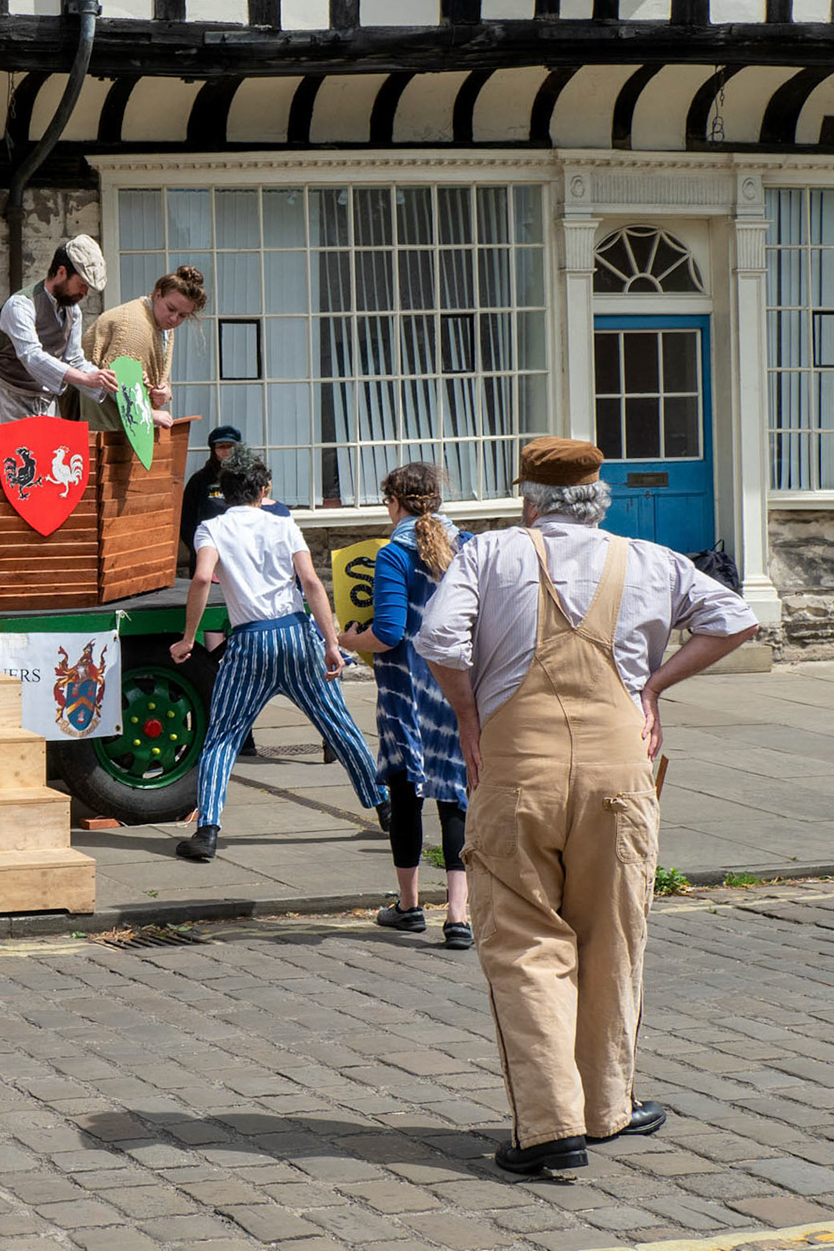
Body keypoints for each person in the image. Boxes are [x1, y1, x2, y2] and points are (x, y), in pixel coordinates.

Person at [416, 437, 759, 1176]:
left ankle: (547, 1127)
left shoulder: (491, 555)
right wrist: (654, 687)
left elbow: (438, 638)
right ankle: (606, 1107)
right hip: (618, 769)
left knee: (524, 941)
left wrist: (470, 722)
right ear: (598, 500)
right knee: (614, 935)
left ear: (530, 501)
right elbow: (735, 620)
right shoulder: (648, 558)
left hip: (517, 768)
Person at [169, 446, 385, 862]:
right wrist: (331, 642)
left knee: (223, 735)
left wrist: (188, 638)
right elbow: (311, 583)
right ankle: (385, 806)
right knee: (337, 723)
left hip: (250, 640)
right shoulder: (284, 523)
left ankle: (208, 829)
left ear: (223, 491)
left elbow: (200, 579)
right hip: (294, 632)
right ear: (263, 489)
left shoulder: (211, 529)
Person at [338, 463, 475, 950]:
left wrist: (350, 638)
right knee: (456, 795)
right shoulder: (470, 546)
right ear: (437, 499)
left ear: (393, 503)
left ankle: (410, 906)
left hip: (407, 693)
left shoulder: (394, 554)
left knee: (407, 794)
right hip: (457, 689)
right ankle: (459, 917)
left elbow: (390, 632)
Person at [0, 234, 119, 424]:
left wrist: (108, 382)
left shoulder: (73, 312)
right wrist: (83, 378)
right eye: (81, 285)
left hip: (46, 401)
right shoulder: (20, 305)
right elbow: (31, 355)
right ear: (62, 272)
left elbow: (74, 360)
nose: (84, 292)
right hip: (9, 398)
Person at [83, 264, 206, 431]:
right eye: (171, 309)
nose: (174, 318)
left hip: (122, 424)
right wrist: (147, 413)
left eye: (183, 315)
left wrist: (164, 391)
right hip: (101, 424)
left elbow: (153, 375)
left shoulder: (163, 324)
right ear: (157, 294)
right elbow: (115, 384)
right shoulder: (135, 328)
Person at [181, 424, 243, 556]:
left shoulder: (245, 478)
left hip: (239, 550)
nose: (226, 451)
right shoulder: (199, 480)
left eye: (230, 446)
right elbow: (186, 521)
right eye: (221, 447)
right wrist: (199, 549)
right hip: (207, 549)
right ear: (213, 449)